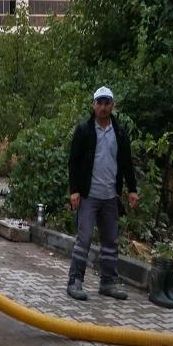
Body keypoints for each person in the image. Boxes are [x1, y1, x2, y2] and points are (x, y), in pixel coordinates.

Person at [66, 86, 139, 301]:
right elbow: (74, 161)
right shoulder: (84, 130)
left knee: (110, 240)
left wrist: (132, 189)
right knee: (84, 238)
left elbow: (126, 163)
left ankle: (107, 282)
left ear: (112, 105)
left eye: (107, 103)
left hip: (110, 196)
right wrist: (74, 190)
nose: (103, 107)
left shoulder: (119, 132)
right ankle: (75, 281)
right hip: (89, 195)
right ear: (93, 105)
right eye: (99, 103)